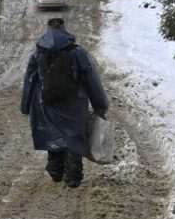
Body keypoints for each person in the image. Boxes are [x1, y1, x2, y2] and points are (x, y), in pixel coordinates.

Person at [21, 18, 109, 188]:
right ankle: (73, 177)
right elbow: (91, 78)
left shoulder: (38, 54)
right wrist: (100, 104)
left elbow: (30, 80)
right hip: (74, 102)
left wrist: (25, 105)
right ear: (65, 30)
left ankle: (55, 171)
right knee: (74, 137)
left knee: (53, 135)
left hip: (47, 102)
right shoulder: (78, 53)